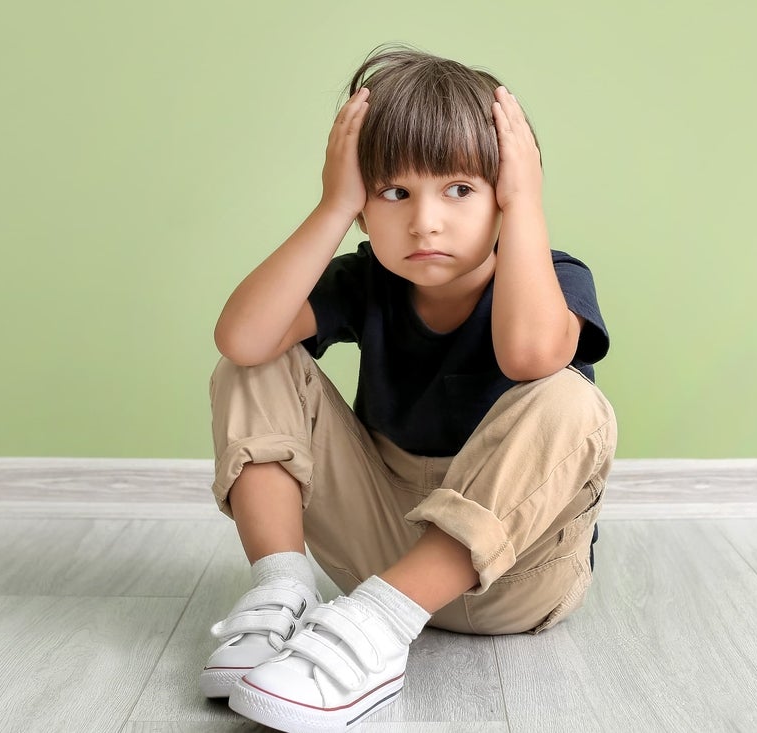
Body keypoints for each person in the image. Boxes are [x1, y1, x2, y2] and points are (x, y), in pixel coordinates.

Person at [203, 45, 617, 732]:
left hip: (517, 578)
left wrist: (527, 206)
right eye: (395, 192)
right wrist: (333, 204)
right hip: (382, 549)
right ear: (367, 207)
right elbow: (242, 340)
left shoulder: (555, 278)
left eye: (459, 189)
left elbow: (531, 355)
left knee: (570, 398)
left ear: (503, 194)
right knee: (258, 358)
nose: (426, 221)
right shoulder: (366, 279)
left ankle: (375, 626)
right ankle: (283, 599)